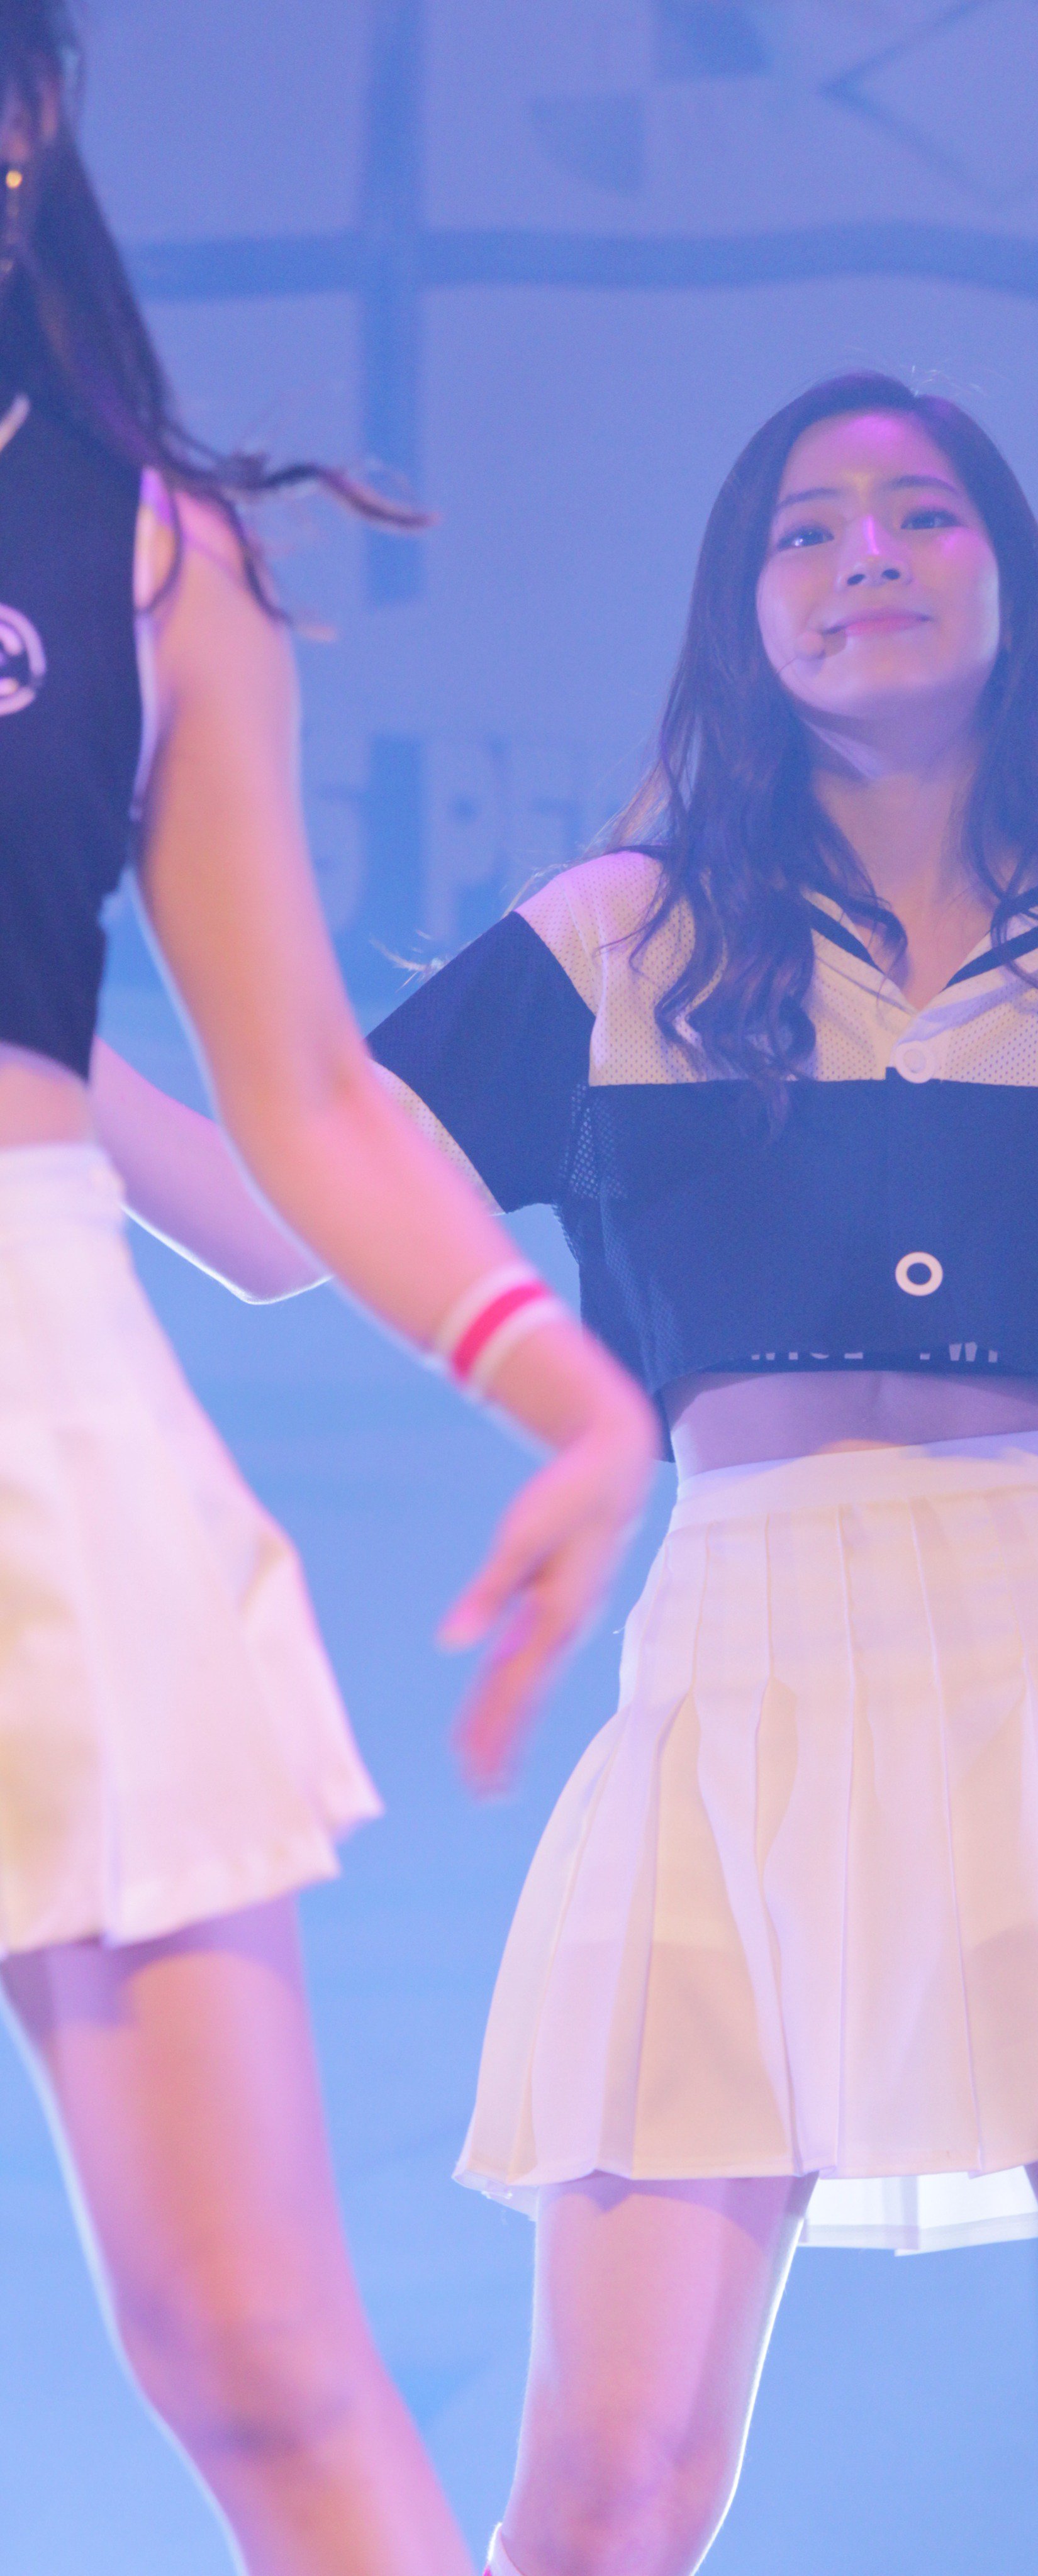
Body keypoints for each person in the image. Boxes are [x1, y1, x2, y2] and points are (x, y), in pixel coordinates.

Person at [105, 369, 1038, 2576]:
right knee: (615, 2482)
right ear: (738, 611)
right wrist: (34, 1032)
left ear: (1010, 579)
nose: (865, 558)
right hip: (733, 1686)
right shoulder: (619, 935)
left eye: (920, 514)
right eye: (805, 531)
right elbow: (279, 1222)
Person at [0, 11, 654, 2572]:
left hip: (38, 1419)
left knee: (255, 2353)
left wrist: (571, 1395)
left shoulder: (140, 550)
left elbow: (301, 1093)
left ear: (26, 127)